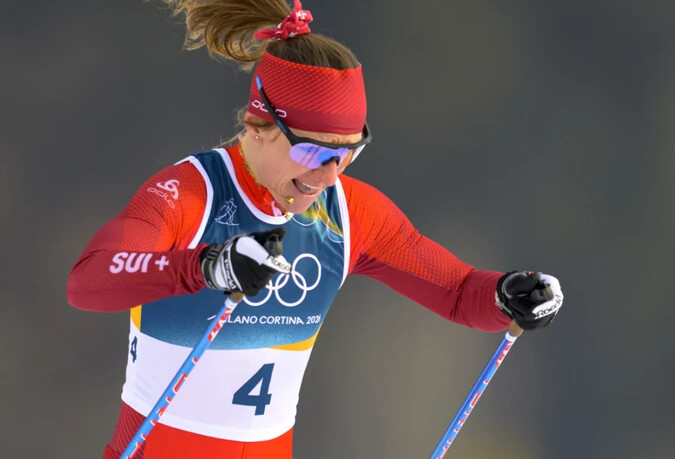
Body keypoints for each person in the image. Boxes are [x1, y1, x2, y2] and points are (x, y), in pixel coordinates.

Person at [66, 1, 565, 458]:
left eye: (347, 153)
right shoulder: (190, 194)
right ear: (258, 127)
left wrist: (507, 294)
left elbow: (458, 291)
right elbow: (88, 282)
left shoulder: (350, 213)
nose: (328, 176)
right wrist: (206, 266)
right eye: (312, 152)